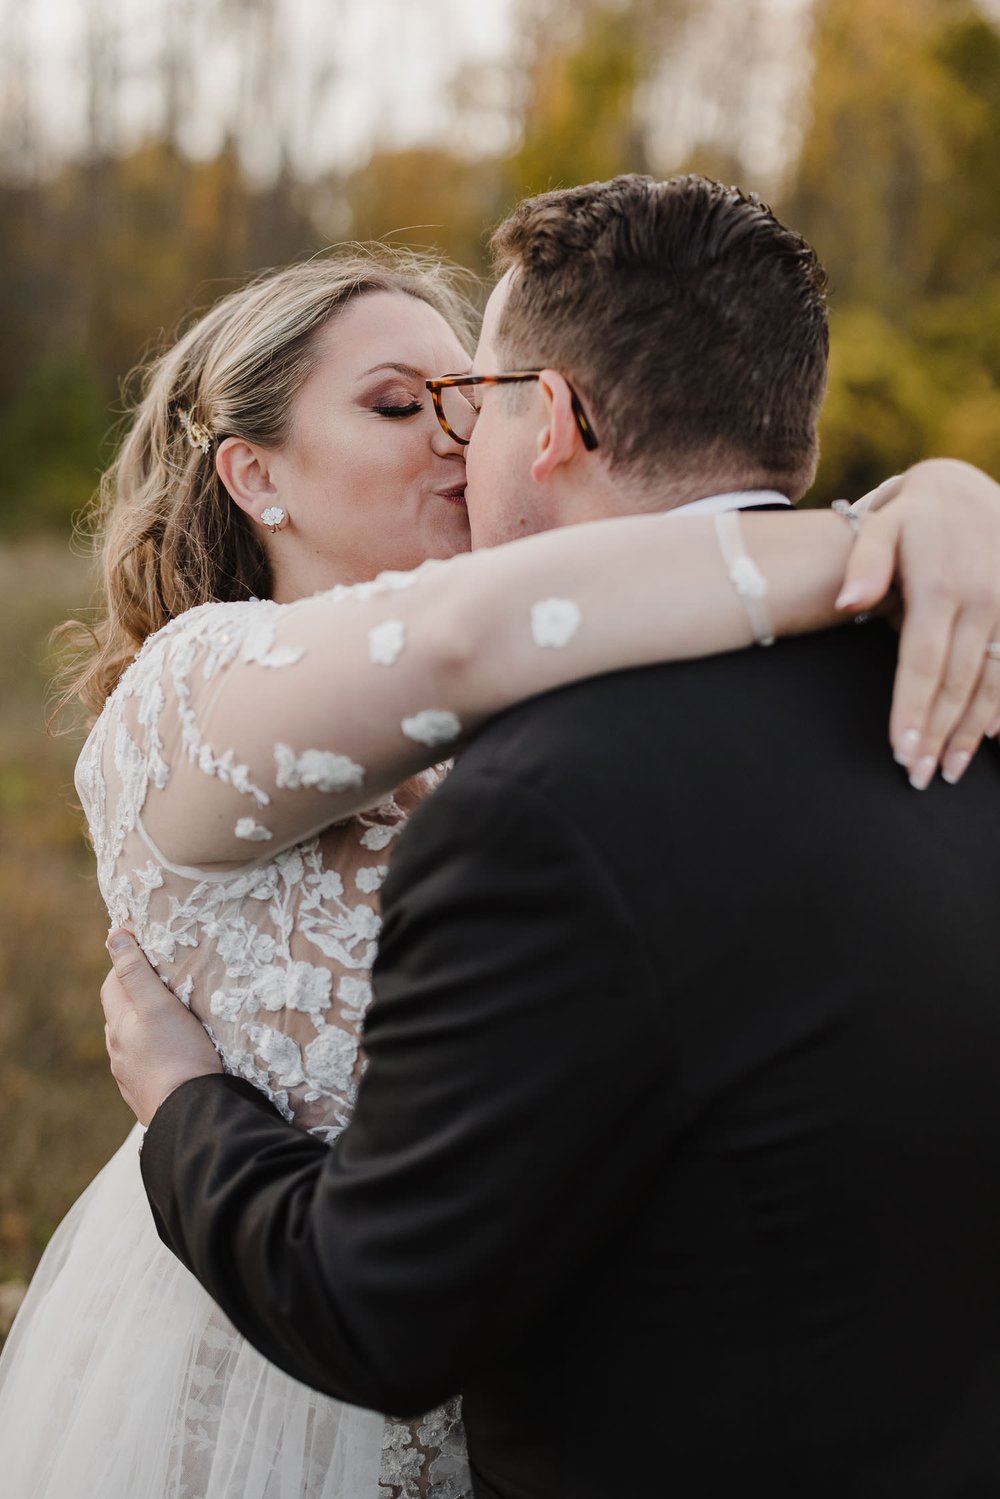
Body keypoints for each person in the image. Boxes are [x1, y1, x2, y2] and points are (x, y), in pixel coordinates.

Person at [98, 175, 1000, 1499]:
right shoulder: (205, 682)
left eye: (476, 397)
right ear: (253, 475)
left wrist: (944, 502)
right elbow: (478, 629)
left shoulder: (545, 738)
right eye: (406, 408)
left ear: (555, 418)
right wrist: (885, 528)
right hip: (275, 1391)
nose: (460, 441)